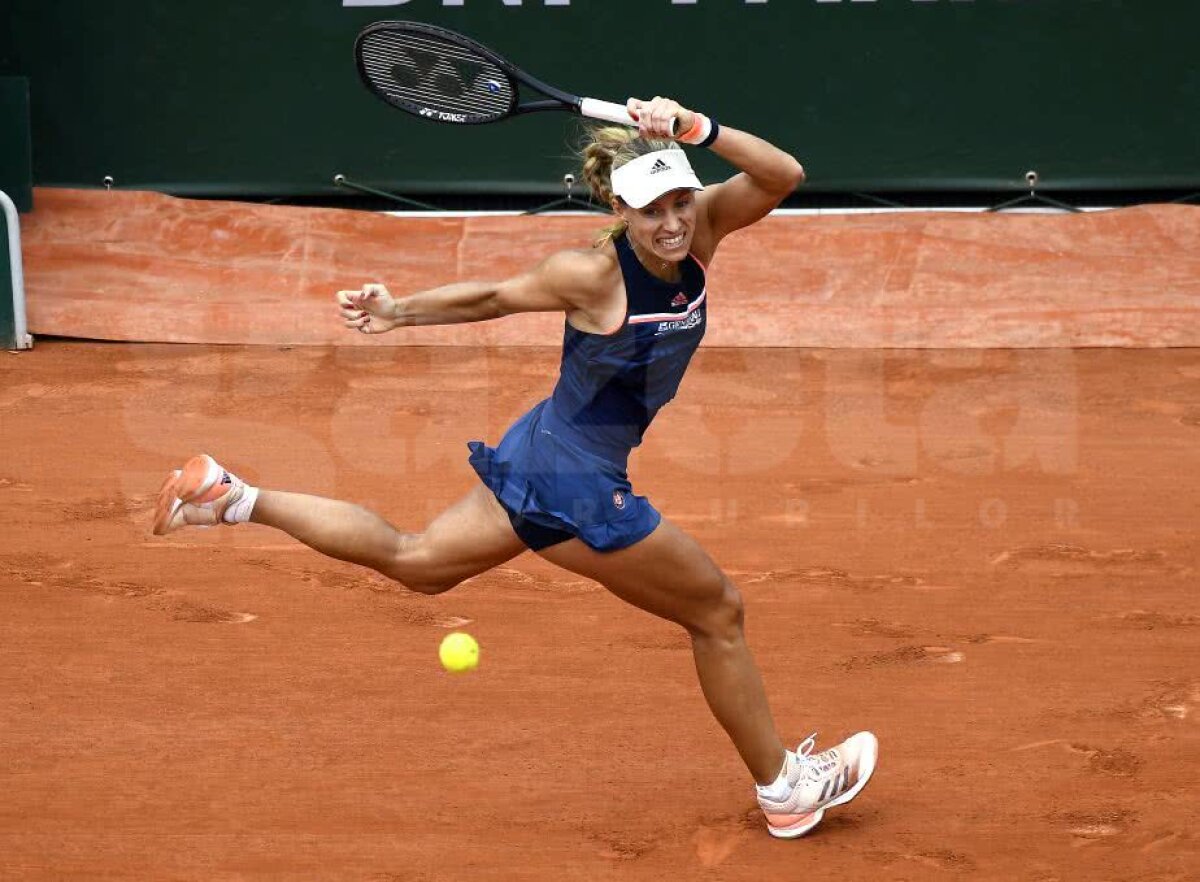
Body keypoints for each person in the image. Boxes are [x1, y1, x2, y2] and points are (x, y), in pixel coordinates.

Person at [152, 96, 877, 839]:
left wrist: (700, 129)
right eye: (650, 210)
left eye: (679, 202)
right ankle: (784, 789)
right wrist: (399, 312)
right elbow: (494, 298)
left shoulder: (705, 228)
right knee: (717, 613)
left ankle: (231, 498)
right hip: (577, 485)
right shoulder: (591, 275)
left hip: (544, 449)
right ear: (618, 210)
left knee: (418, 562)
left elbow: (783, 174)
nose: (671, 224)